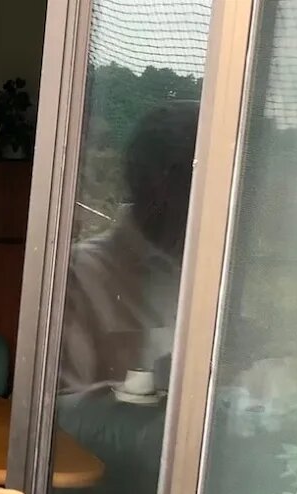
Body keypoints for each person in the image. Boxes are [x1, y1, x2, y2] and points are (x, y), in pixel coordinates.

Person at [58, 100, 201, 394]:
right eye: (194, 179)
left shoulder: (210, 278)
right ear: (159, 183)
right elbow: (61, 410)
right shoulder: (80, 275)